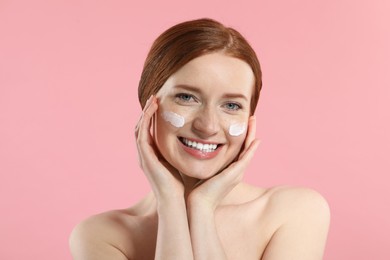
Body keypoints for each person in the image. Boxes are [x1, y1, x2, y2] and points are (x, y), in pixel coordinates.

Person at [69, 18, 330, 260]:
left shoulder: (294, 212)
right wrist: (170, 203)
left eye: (231, 105)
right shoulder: (101, 236)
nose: (208, 126)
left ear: (251, 117)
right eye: (186, 97)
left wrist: (202, 207)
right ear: (149, 105)